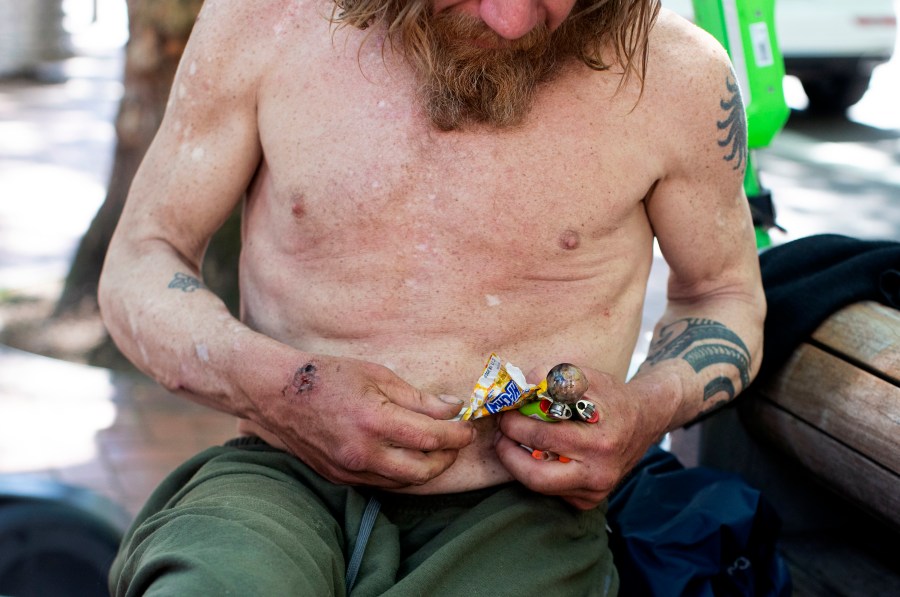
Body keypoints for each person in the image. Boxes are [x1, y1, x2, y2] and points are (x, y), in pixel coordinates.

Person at [99, 0, 765, 594]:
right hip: (277, 476)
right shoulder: (262, 20)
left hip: (522, 509)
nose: (510, 19)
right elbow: (142, 258)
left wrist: (647, 408)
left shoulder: (676, 76)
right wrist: (282, 390)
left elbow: (724, 294)